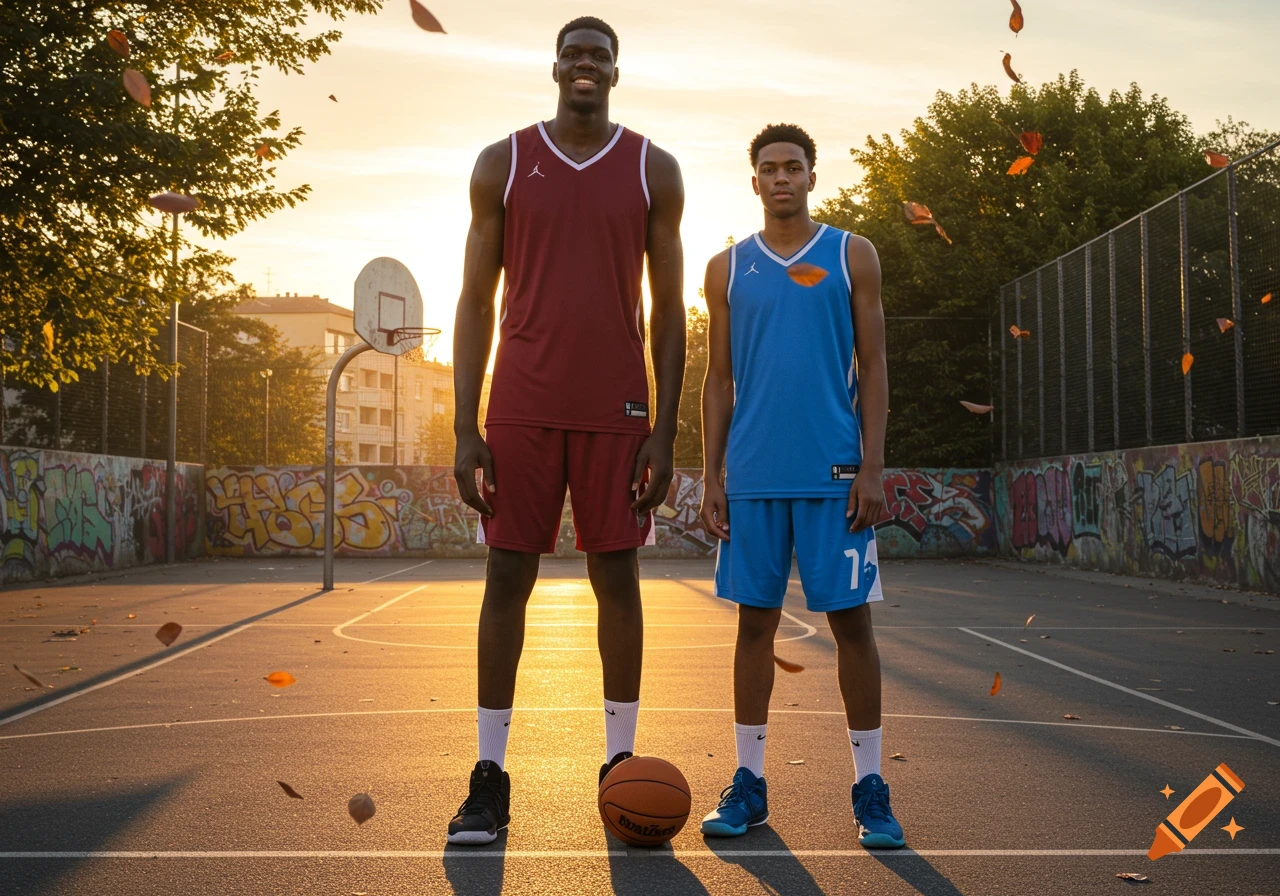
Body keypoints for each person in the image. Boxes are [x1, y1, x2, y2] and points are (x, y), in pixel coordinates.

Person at [447, 16, 685, 845]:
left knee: (614, 577)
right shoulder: (502, 163)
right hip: (521, 399)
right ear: (555, 65)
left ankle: (619, 765)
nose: (587, 63)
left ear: (617, 70)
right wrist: (463, 425)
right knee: (506, 575)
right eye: (575, 52)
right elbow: (475, 300)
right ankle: (488, 777)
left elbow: (667, 310)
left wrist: (666, 428)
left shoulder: (653, 167)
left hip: (617, 405)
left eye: (601, 54)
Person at [696, 124, 902, 848]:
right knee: (754, 627)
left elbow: (874, 366)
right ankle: (749, 785)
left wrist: (873, 465)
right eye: (768, 169)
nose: (781, 177)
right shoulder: (725, 269)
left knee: (852, 626)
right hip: (752, 475)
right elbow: (717, 380)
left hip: (835, 472)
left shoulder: (852, 255)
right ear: (753, 183)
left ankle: (870, 788)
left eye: (793, 166)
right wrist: (711, 473)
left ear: (812, 176)